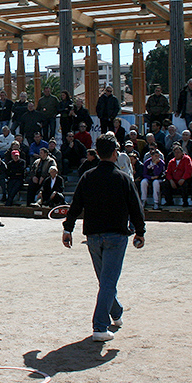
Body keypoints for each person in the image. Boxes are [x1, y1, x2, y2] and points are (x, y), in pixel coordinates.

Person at [62, 132, 145, 342]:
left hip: (93, 236)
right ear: (115, 153)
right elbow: (136, 208)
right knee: (108, 281)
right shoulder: (123, 178)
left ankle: (115, 313)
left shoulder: (87, 177)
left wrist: (67, 229)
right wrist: (140, 231)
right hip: (116, 236)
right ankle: (100, 326)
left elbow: (75, 206)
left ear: (97, 153)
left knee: (105, 280)